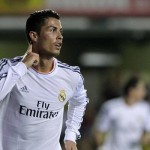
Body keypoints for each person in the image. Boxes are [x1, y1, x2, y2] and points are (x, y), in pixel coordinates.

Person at [0, 9, 88, 150]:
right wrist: (23, 66)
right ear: (34, 36)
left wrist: (71, 135)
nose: (60, 36)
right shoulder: (9, 68)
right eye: (53, 30)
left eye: (61, 31)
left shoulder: (71, 75)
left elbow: (80, 101)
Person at [93, 76, 150, 150]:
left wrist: (146, 138)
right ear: (131, 90)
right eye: (142, 89)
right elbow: (99, 130)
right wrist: (100, 146)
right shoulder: (111, 106)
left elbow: (148, 130)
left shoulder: (145, 108)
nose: (144, 92)